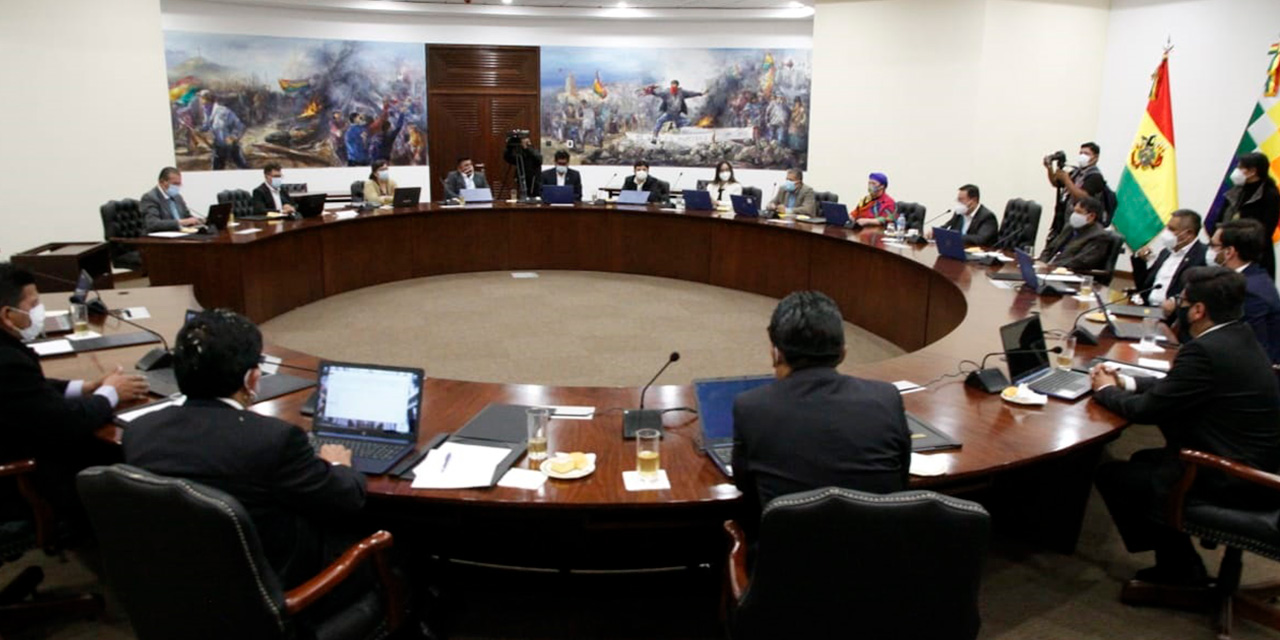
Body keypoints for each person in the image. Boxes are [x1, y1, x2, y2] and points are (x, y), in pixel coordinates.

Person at [123, 309, 367, 594]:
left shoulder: (139, 431)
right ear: (252, 379)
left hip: (179, 586)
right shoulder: (274, 440)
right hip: (275, 587)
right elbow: (346, 498)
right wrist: (339, 466)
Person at [1092, 266, 1280, 587]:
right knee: (1144, 461)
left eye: (1182, 299)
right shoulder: (1237, 335)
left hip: (1238, 477)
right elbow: (1180, 385)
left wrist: (1105, 390)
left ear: (1198, 310)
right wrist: (1124, 379)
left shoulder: (1205, 350)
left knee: (1116, 476)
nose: (1177, 303)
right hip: (1261, 459)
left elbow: (1146, 411)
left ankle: (1178, 573)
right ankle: (1179, 559)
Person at [732, 291, 911, 526]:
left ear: (775, 353)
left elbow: (746, 486)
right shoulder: (886, 398)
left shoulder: (751, 407)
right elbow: (901, 478)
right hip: (878, 557)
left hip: (788, 560)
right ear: (843, 353)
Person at [0, 263, 148, 516]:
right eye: (33, 304)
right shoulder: (7, 361)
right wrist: (110, 393)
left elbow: (30, 389)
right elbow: (65, 422)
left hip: (22, 434)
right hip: (32, 468)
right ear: (7, 315)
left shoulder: (7, 351)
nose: (38, 311)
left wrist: (85, 387)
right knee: (127, 446)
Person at [1210, 219, 1280, 365]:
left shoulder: (1248, 290)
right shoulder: (1254, 276)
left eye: (1213, 246)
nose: (1209, 251)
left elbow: (1250, 349)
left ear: (1229, 252)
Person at [1219, 152, 1280, 280]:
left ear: (1252, 171)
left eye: (1241, 168)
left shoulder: (1269, 194)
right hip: (1229, 247)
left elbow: (1267, 228)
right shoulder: (1236, 190)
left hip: (1254, 252)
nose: (1237, 171)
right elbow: (1222, 216)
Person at [1130, 209, 1206, 309]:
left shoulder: (1202, 256)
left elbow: (1198, 294)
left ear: (1189, 234)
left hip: (1172, 317)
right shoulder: (1165, 252)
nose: (1166, 233)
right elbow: (1144, 286)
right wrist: (1140, 261)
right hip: (1147, 309)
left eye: (1172, 229)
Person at [1046, 142, 1110, 238]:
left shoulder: (1095, 176)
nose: (1082, 156)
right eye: (1081, 153)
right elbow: (1056, 183)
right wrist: (1049, 168)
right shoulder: (1076, 172)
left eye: (1086, 154)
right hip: (1063, 217)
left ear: (1095, 157)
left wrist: (1066, 179)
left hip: (1080, 222)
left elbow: (1083, 197)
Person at [1038, 196, 1112, 272]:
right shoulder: (1070, 227)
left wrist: (1054, 266)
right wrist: (1041, 262)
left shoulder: (1099, 235)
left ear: (1091, 216)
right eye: (1074, 211)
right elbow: (1050, 248)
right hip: (1049, 269)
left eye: (1078, 212)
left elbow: (1082, 261)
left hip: (1070, 273)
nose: (1074, 215)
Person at [197, 90, 248, 170]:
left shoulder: (223, 111)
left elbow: (240, 126)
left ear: (208, 99)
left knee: (242, 167)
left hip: (231, 146)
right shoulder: (206, 111)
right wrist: (200, 130)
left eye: (201, 98)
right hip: (218, 146)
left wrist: (233, 137)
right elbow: (207, 125)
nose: (200, 101)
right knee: (216, 170)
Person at [931, 184, 997, 246]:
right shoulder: (959, 213)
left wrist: (955, 237)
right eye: (957, 200)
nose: (958, 203)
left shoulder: (987, 217)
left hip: (977, 255)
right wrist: (935, 232)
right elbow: (948, 226)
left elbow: (980, 239)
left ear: (973, 200)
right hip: (958, 250)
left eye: (961, 200)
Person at [140, 167, 201, 233]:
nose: (178, 187)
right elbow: (152, 223)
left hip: (181, 234)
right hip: (161, 239)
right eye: (175, 184)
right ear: (161, 182)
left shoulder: (177, 197)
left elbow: (187, 216)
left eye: (179, 184)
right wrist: (181, 222)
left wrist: (199, 221)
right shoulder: (150, 198)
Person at [503, 134, 542, 198]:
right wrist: (509, 147)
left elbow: (538, 159)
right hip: (521, 181)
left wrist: (526, 147)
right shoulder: (519, 154)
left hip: (533, 183)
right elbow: (508, 158)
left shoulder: (534, 150)